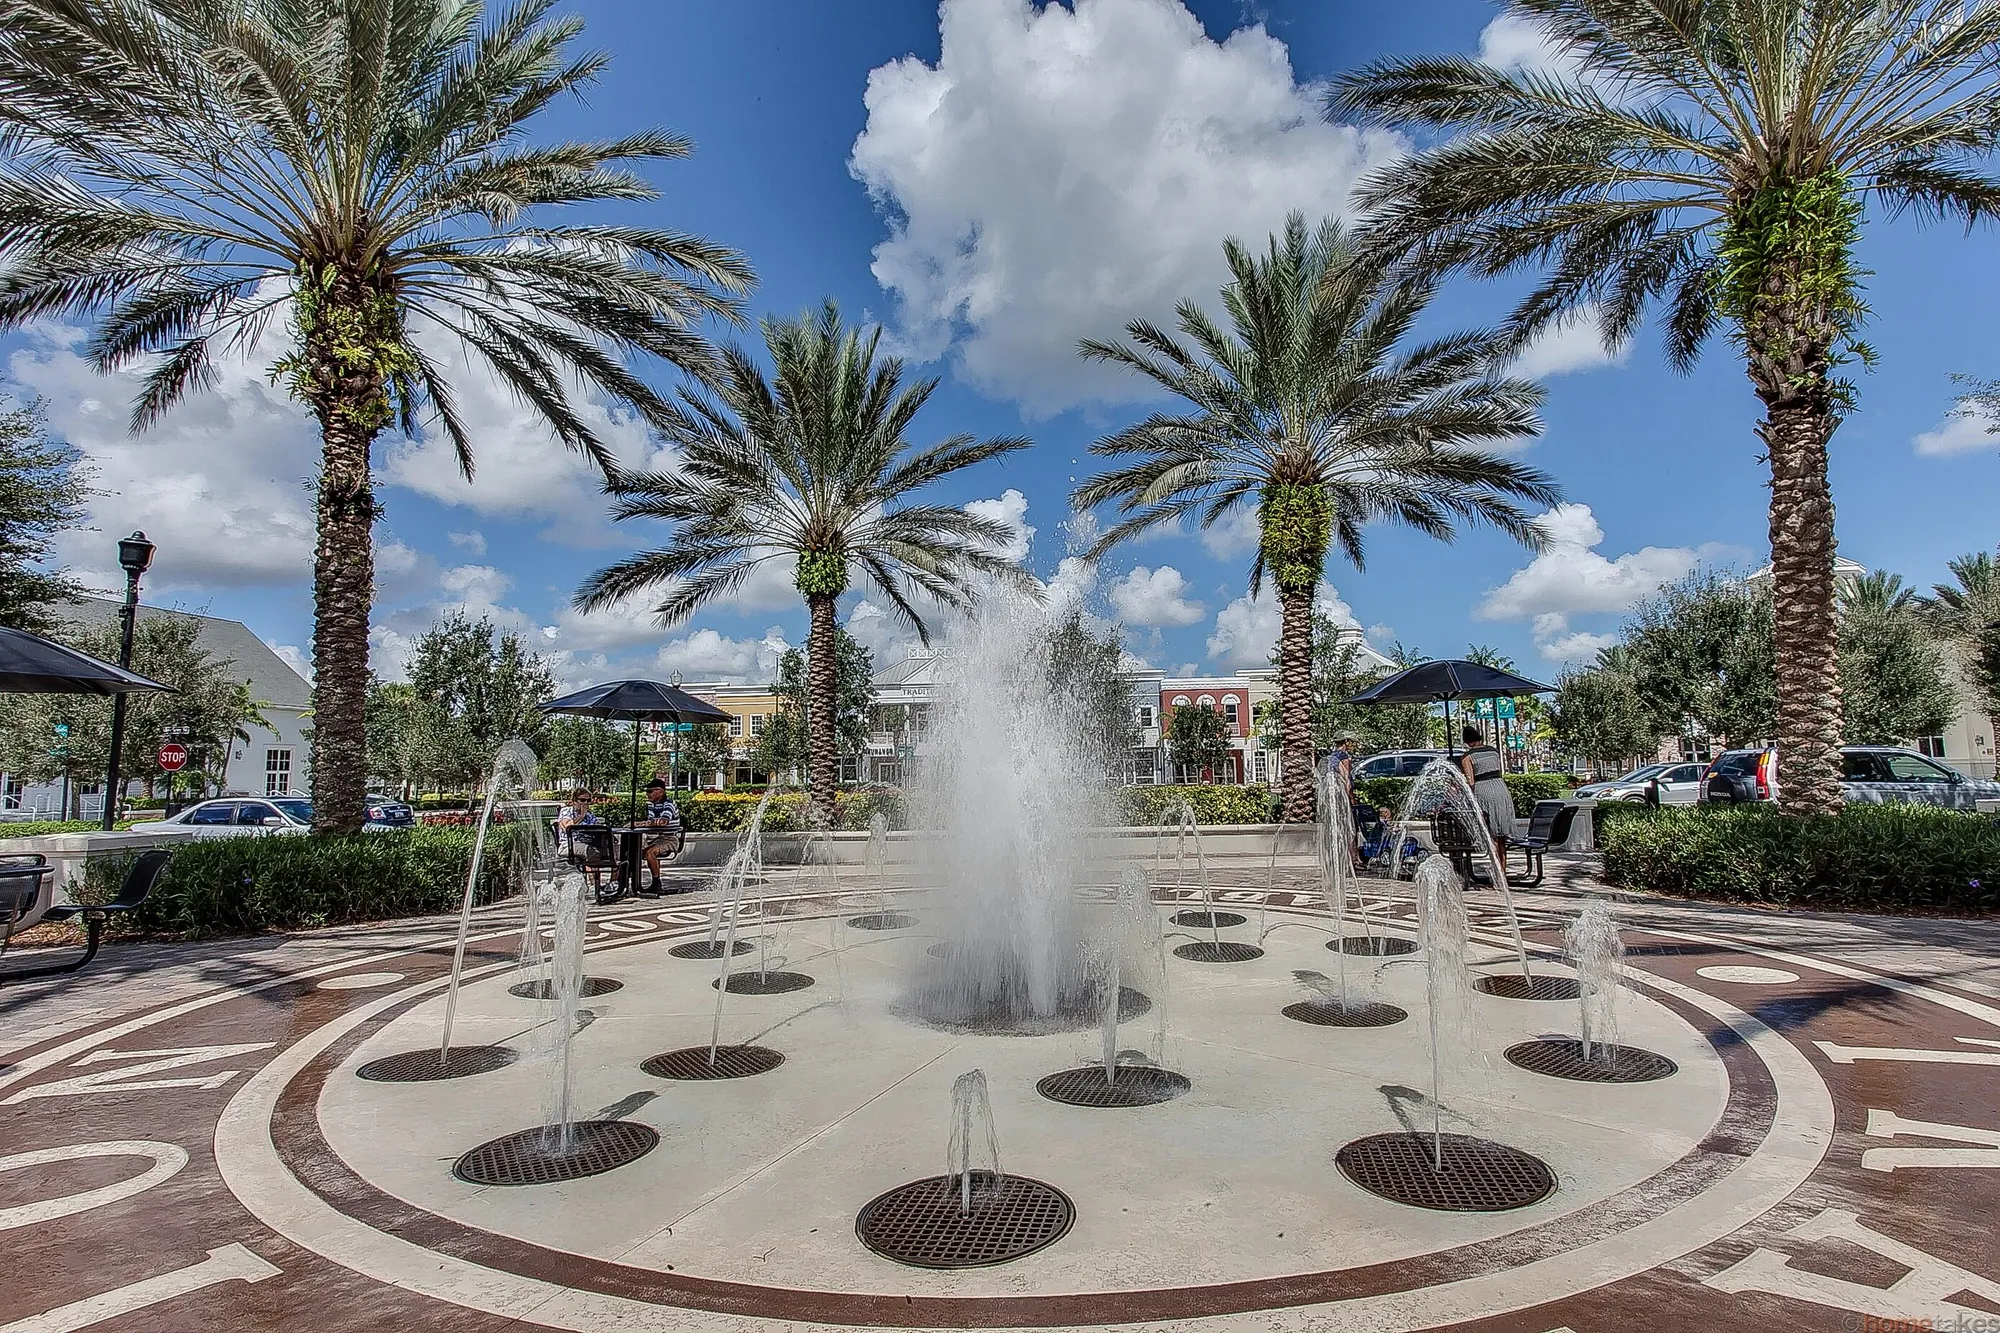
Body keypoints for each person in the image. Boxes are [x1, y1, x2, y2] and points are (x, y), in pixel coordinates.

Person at [1457, 724, 1517, 876]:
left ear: (1467, 741)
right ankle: (1502, 872)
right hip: (1501, 789)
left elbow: (1470, 781)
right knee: (1501, 835)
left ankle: (1497, 875)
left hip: (1484, 791)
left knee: (1491, 835)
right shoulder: (1493, 751)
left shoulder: (1467, 757)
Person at [636, 778, 683, 894]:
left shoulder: (669, 804)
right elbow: (652, 822)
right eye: (647, 791)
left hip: (669, 838)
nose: (647, 794)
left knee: (649, 852)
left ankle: (656, 883)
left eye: (650, 791)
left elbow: (662, 822)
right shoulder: (651, 805)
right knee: (634, 850)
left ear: (660, 791)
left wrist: (640, 824)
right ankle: (626, 882)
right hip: (656, 837)